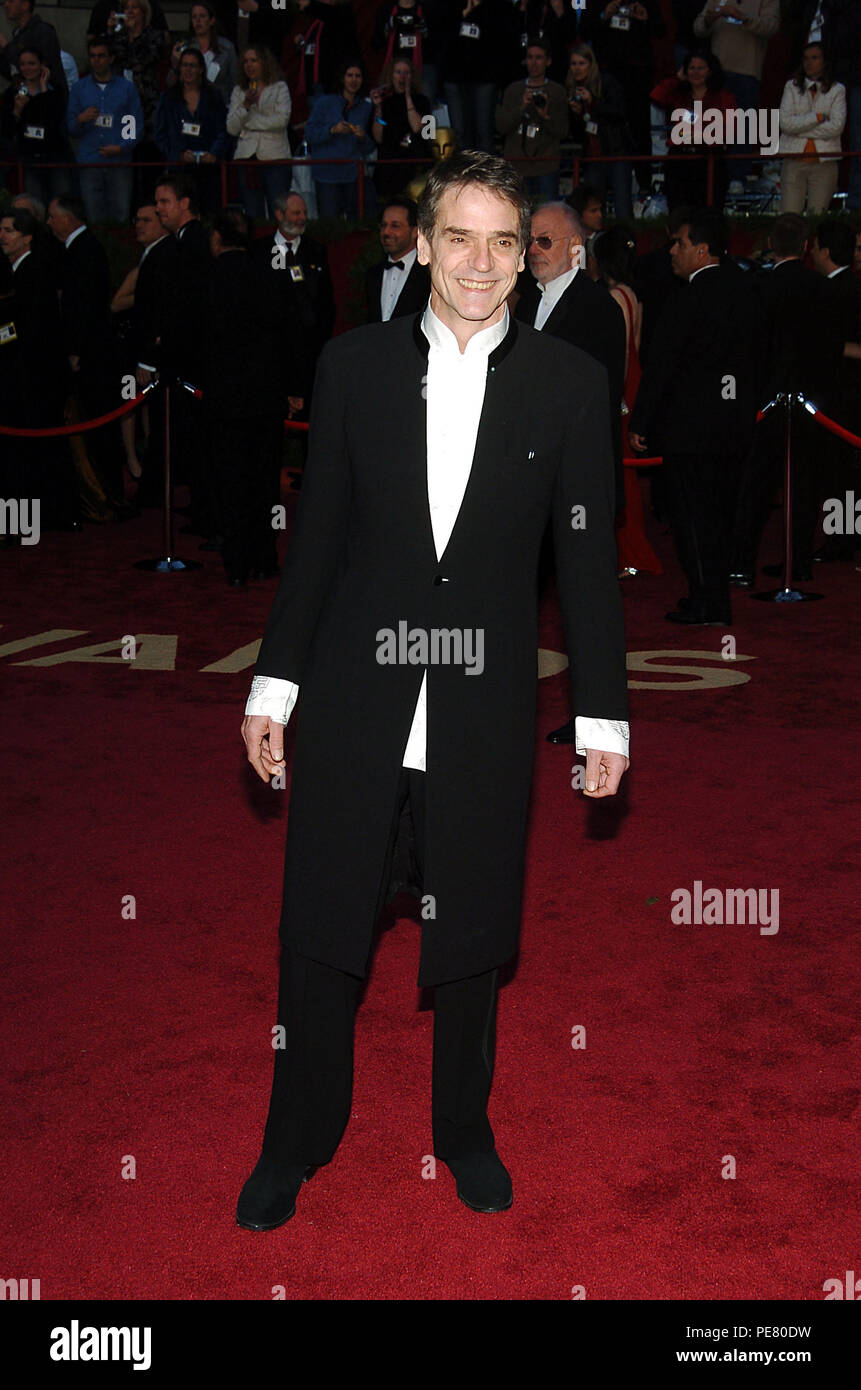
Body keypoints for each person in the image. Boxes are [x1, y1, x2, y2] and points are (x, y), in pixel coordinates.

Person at [235, 149, 629, 1231]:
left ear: (526, 257)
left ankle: (464, 1129)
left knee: (470, 944)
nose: (481, 261)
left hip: (484, 711)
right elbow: (315, 543)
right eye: (459, 235)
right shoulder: (353, 366)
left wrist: (603, 715)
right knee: (319, 930)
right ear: (420, 243)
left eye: (506, 240)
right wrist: (274, 688)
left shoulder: (571, 384)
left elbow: (587, 563)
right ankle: (296, 1138)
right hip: (361, 703)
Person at [514, 199, 626, 744]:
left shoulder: (596, 307)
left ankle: (592, 720)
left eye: (545, 241)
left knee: (584, 610)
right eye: (528, 240)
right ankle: (505, 706)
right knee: (518, 601)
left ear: (576, 250)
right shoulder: (526, 304)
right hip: (532, 485)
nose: (532, 250)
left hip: (577, 486)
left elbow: (590, 406)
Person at [629, 209, 761, 623]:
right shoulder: (749, 289)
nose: (673, 250)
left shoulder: (685, 297)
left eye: (680, 243)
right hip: (736, 427)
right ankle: (712, 596)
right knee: (721, 515)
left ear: (702, 250)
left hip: (690, 430)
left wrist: (641, 422)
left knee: (692, 517)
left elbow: (662, 366)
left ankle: (709, 602)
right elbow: (760, 357)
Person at [730, 213, 846, 584]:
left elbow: (750, 350)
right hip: (814, 402)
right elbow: (833, 350)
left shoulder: (759, 287)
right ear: (807, 246)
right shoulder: (823, 289)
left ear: (771, 245)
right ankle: (799, 564)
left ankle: (741, 565)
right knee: (804, 484)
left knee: (756, 486)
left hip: (767, 400)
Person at [203, 208, 304, 587]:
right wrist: (293, 388)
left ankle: (235, 564)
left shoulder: (208, 279)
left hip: (224, 401)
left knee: (231, 482)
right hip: (265, 399)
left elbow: (196, 339)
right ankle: (264, 557)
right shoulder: (271, 275)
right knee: (264, 482)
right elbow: (293, 333)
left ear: (216, 239)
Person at [47, 194, 134, 519]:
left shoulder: (85, 251)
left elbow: (83, 308)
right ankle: (104, 495)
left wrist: (75, 351)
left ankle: (107, 496)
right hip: (92, 354)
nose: (49, 222)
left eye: (53, 216)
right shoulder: (79, 249)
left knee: (100, 428)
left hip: (92, 358)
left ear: (69, 218)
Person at [0, 205, 79, 532]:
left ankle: (30, 522)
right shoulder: (18, 271)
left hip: (33, 378)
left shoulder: (32, 272)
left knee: (30, 450)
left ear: (27, 237)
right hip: (26, 376)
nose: (2, 236)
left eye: (9, 230)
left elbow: (24, 328)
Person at [593, 225, 662, 578]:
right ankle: (627, 549)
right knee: (625, 469)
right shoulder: (632, 294)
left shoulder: (615, 298)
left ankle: (628, 551)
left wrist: (615, 398)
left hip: (622, 387)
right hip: (632, 379)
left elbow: (619, 351)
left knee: (622, 471)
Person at [110, 200, 176, 491]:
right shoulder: (143, 266)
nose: (139, 225)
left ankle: (150, 458)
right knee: (129, 403)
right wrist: (147, 297)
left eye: (146, 220)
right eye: (137, 219)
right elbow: (115, 304)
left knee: (147, 403)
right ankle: (133, 459)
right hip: (132, 349)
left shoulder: (161, 258)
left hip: (146, 349)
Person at [809, 217, 861, 563]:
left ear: (824, 251)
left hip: (842, 396)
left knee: (839, 473)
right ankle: (845, 536)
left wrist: (830, 347)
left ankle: (842, 539)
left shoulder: (832, 293)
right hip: (846, 395)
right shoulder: (850, 288)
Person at [692, 0, 779, 188]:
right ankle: (711, 178)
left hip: (748, 71)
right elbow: (698, 27)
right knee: (713, 126)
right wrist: (710, 18)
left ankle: (737, 178)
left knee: (744, 127)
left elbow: (771, 26)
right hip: (717, 72)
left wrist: (744, 18)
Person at [650, 46, 738, 210]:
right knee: (679, 212)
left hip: (709, 159)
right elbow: (656, 96)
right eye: (691, 68)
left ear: (710, 71)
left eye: (700, 68)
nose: (695, 72)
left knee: (709, 213)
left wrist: (701, 137)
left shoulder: (724, 97)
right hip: (680, 160)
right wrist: (677, 78)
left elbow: (729, 129)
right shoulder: (678, 94)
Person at [67, 38, 143, 225]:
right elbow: (70, 128)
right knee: (93, 218)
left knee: (121, 215)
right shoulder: (79, 89)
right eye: (92, 56)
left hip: (119, 162)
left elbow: (133, 124)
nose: (96, 60)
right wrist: (80, 119)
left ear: (111, 58)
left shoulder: (126, 88)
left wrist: (121, 148)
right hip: (89, 163)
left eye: (101, 56)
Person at [155, 45, 229, 214]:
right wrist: (178, 154)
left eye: (193, 65)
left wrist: (214, 153)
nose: (188, 70)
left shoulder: (214, 97)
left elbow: (224, 130)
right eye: (185, 65)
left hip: (208, 169)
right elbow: (160, 135)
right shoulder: (168, 99)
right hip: (179, 171)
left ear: (201, 69)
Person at [495, 38, 568, 202]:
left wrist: (545, 116)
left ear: (548, 61)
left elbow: (562, 131)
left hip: (546, 165)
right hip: (517, 165)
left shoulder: (557, 92)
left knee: (549, 217)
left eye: (539, 57)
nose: (533, 63)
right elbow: (502, 126)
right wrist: (521, 107)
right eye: (530, 57)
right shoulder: (513, 90)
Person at [565, 42, 633, 219]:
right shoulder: (571, 89)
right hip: (592, 157)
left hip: (616, 153)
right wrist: (577, 115)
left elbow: (619, 113)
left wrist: (593, 102)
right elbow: (576, 134)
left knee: (622, 206)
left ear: (591, 64)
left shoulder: (607, 82)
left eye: (581, 63)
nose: (577, 68)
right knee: (591, 209)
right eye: (573, 63)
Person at [778, 42, 846, 216]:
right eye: (806, 58)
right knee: (790, 217)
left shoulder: (837, 89)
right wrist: (817, 118)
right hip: (794, 160)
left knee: (818, 217)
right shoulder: (791, 86)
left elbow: (836, 127)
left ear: (824, 61)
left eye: (814, 58)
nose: (809, 63)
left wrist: (799, 128)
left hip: (824, 162)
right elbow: (785, 123)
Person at [0, 45, 73, 206]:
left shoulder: (55, 91)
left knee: (61, 204)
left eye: (32, 63)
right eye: (23, 64)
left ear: (42, 65)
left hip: (56, 157)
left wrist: (44, 90)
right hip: (28, 158)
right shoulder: (12, 93)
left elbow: (54, 122)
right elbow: (6, 130)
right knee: (34, 205)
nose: (27, 68)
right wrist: (17, 111)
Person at [227, 44, 292, 217]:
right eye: (246, 61)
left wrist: (249, 123)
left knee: (279, 212)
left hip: (275, 158)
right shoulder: (239, 91)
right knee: (252, 214)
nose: (249, 65)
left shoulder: (280, 88)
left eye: (254, 60)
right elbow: (232, 127)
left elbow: (281, 120)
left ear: (264, 62)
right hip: (247, 159)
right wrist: (246, 105)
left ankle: (279, 245)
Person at [305, 58, 374, 218]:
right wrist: (332, 130)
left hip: (353, 175)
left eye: (358, 76)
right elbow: (309, 134)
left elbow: (370, 147)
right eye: (350, 75)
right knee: (330, 226)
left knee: (355, 225)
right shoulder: (324, 102)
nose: (353, 80)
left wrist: (363, 137)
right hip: (327, 175)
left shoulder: (366, 107)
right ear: (342, 78)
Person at [441, 0, 509, 155]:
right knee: (460, 133)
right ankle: (464, 176)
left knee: (483, 132)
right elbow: (444, 41)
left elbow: (500, 41)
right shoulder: (452, 7)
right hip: (455, 78)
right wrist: (464, 14)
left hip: (484, 78)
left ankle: (486, 176)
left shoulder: (495, 8)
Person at [370, 55, 433, 198]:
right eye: (398, 72)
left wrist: (408, 97)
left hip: (414, 163)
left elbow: (418, 127)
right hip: (390, 163)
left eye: (406, 73)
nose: (402, 76)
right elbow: (378, 137)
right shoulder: (385, 103)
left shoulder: (423, 101)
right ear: (391, 76)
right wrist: (378, 107)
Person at [364, 195, 431, 321]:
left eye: (395, 226)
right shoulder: (373, 275)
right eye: (383, 225)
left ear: (415, 231)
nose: (386, 232)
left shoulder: (429, 274)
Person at [168, 3, 238, 106]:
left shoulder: (227, 48)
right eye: (194, 17)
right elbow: (170, 84)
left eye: (202, 16)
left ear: (211, 20)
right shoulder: (183, 47)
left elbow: (235, 83)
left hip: (220, 108)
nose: (198, 21)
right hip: (189, 108)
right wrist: (175, 64)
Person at [0, 0, 68, 98]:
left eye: (11, 1)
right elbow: (13, 71)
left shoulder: (43, 32)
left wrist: (6, 46)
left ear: (25, 5)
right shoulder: (18, 33)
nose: (5, 5)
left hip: (46, 102)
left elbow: (38, 70)